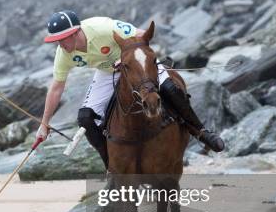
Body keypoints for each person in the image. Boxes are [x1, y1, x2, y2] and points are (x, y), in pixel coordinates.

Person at [36, 10, 224, 168]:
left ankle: (201, 132)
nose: (60, 45)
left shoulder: (103, 27)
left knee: (171, 89)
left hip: (135, 62)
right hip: (107, 72)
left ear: (75, 33)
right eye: (56, 41)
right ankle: (112, 167)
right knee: (85, 118)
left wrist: (126, 55)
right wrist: (44, 124)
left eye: (62, 39)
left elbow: (142, 35)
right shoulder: (64, 54)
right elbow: (56, 88)